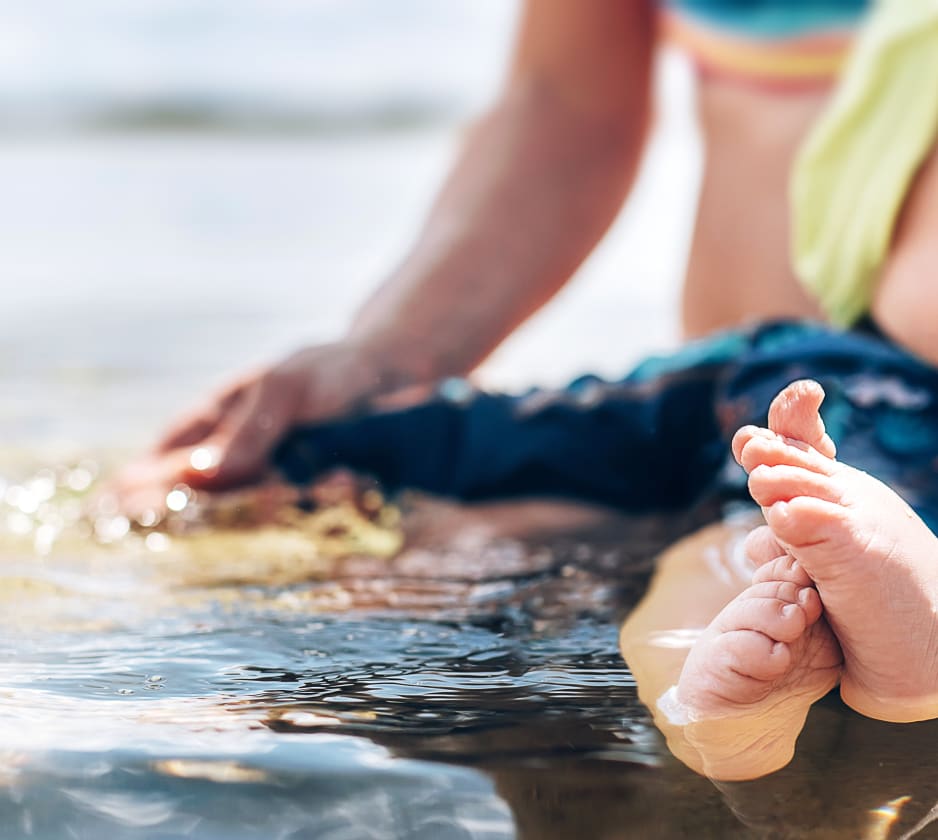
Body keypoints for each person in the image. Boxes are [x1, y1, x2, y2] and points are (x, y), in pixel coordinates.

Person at [114, 0, 938, 782]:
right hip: (721, 387)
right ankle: (754, 673)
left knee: (753, 549)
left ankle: (754, 691)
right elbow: (563, 98)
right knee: (328, 460)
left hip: (868, 420)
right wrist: (382, 359)